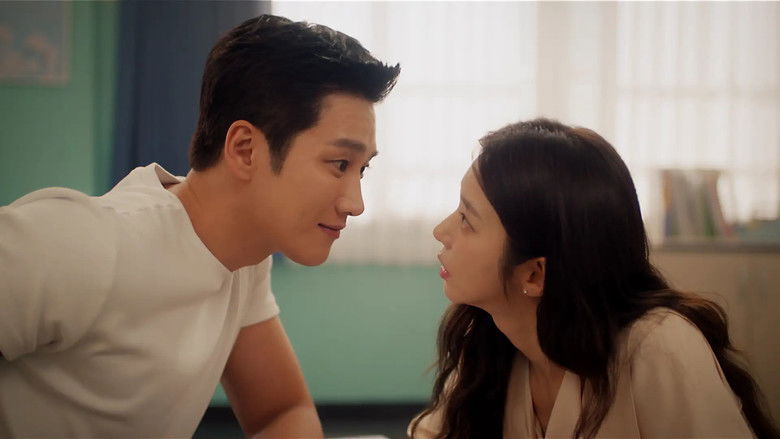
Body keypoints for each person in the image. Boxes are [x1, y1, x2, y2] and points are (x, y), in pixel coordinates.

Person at [0, 14, 399, 438]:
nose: (356, 204)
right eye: (339, 163)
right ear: (244, 149)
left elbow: (280, 411)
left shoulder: (246, 259)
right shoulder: (81, 241)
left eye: (362, 169)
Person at [409, 118, 778, 438]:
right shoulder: (488, 340)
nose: (441, 231)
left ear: (534, 274)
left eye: (467, 220)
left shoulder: (658, 348)